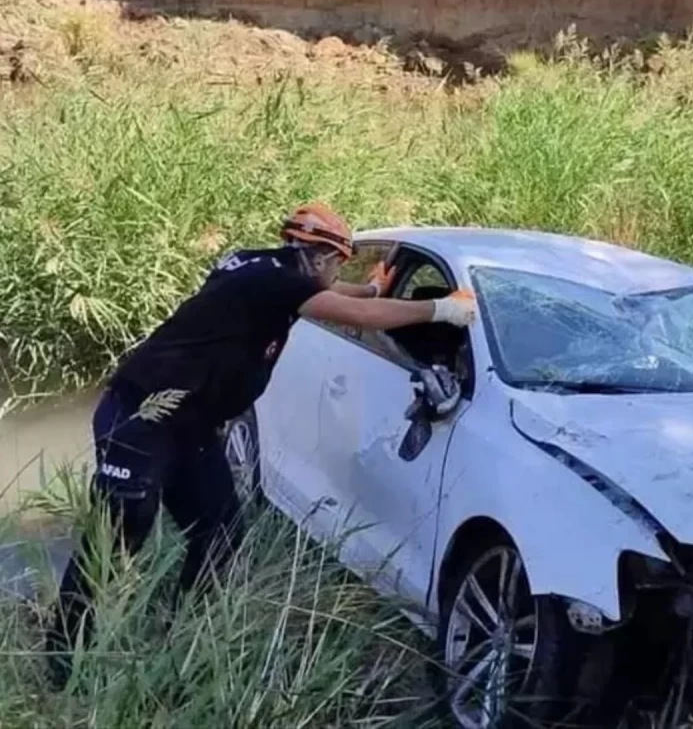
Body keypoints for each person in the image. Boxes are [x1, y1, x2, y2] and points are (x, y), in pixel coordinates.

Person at [44, 203, 476, 689]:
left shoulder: (258, 263)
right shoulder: (281, 283)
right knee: (118, 538)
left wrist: (374, 287)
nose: (336, 273)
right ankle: (64, 656)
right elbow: (353, 312)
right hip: (140, 419)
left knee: (220, 529)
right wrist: (441, 309)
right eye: (337, 262)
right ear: (318, 257)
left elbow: (332, 294)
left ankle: (180, 637)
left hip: (192, 427)